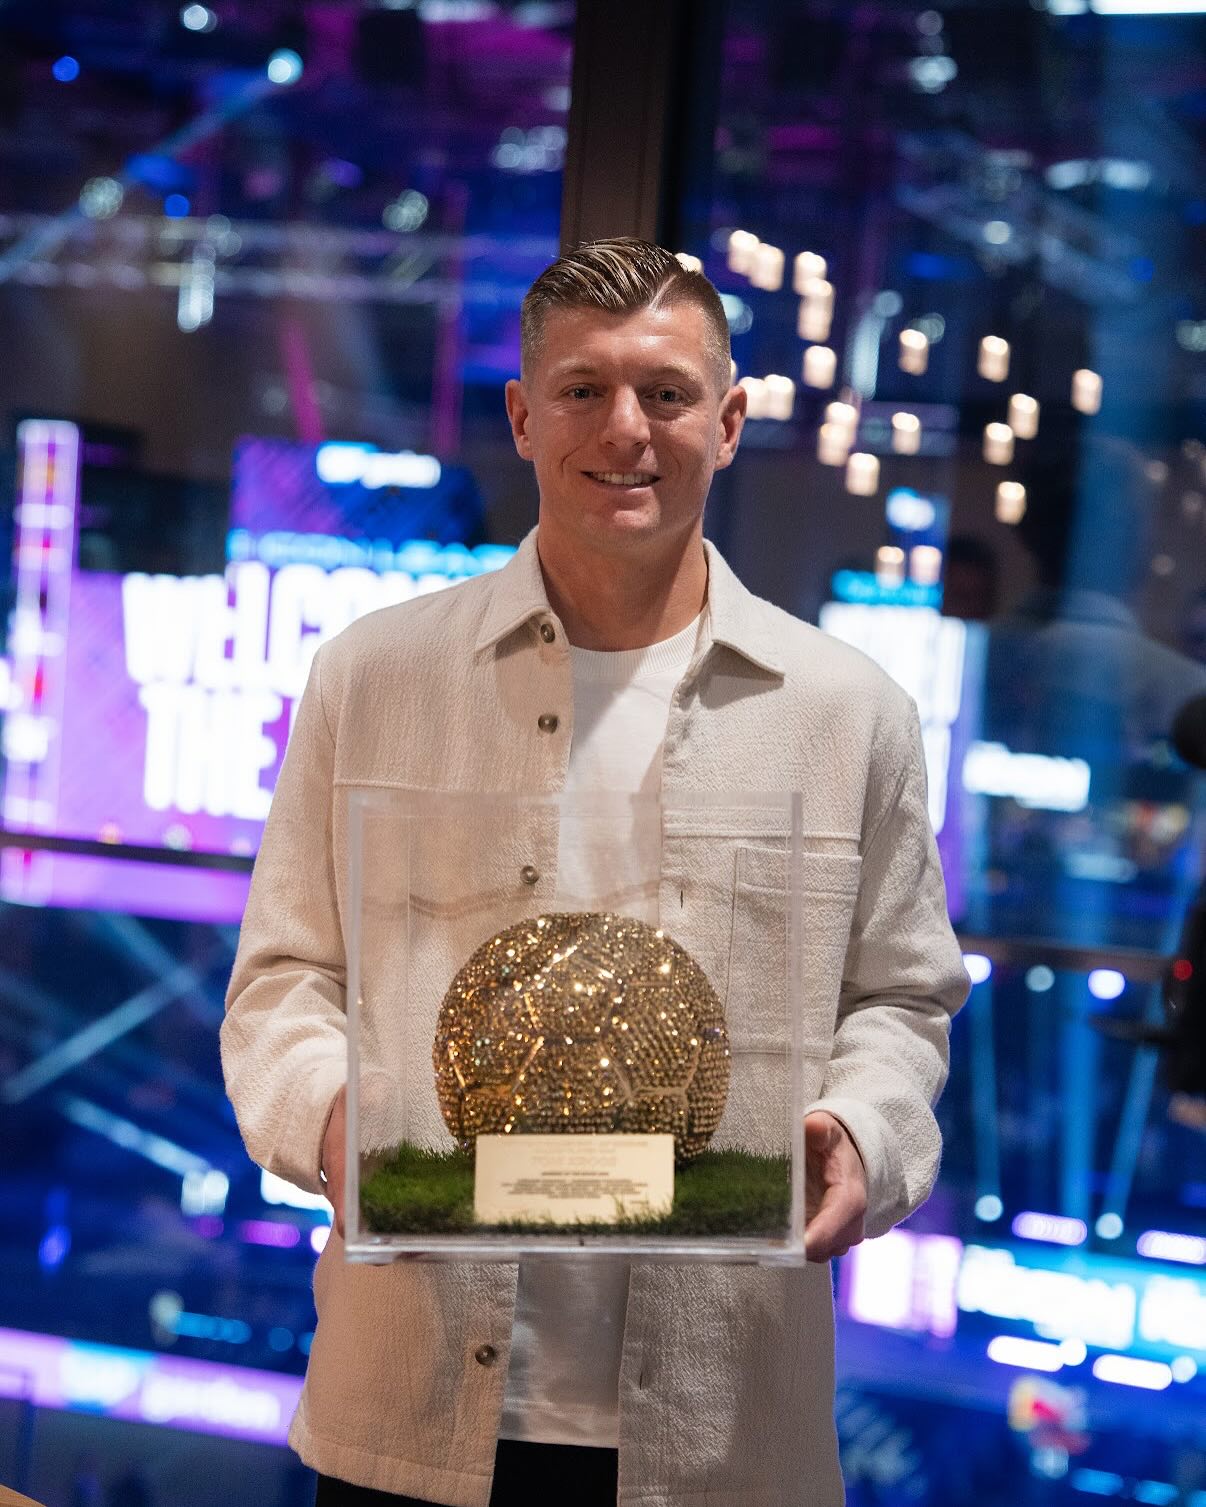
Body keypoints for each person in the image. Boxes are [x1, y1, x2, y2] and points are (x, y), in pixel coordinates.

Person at [222, 238, 969, 1507]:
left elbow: (901, 999)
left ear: (727, 422)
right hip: (406, 1406)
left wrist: (864, 1132)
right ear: (524, 417)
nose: (626, 427)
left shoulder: (851, 713)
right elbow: (285, 979)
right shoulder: (374, 677)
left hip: (722, 1435)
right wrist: (335, 1120)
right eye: (583, 390)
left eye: (665, 393)